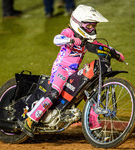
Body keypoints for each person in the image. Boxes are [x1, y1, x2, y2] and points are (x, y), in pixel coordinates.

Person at [23, 4, 125, 137]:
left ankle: (95, 129)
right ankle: (30, 119)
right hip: (61, 69)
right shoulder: (69, 32)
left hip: (73, 72)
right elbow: (56, 39)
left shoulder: (86, 39)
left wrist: (114, 52)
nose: (92, 29)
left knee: (91, 95)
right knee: (54, 93)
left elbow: (100, 46)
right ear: (79, 23)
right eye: (89, 26)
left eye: (94, 26)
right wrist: (72, 40)